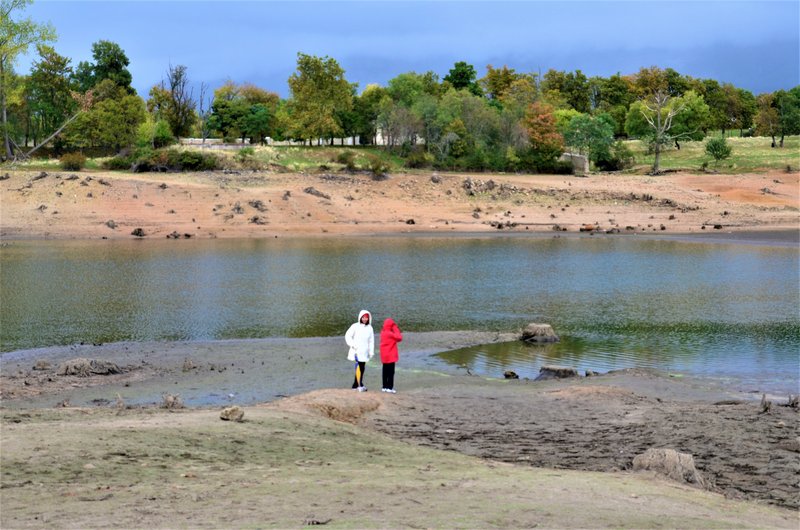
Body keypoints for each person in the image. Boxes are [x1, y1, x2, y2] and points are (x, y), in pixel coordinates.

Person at [345, 309, 374, 391]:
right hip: (356, 351)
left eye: (366, 318)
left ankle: (356, 384)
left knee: (362, 367)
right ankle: (358, 384)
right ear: (360, 317)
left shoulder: (370, 328)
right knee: (358, 367)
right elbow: (348, 336)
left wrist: (371, 352)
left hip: (364, 352)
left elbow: (371, 341)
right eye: (363, 317)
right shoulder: (355, 326)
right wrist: (352, 344)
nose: (365, 319)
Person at [379, 317, 402, 393]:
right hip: (391, 356)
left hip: (384, 356)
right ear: (391, 326)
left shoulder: (382, 333)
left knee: (385, 371)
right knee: (391, 372)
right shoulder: (390, 334)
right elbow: (399, 337)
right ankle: (390, 387)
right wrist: (395, 327)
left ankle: (384, 387)